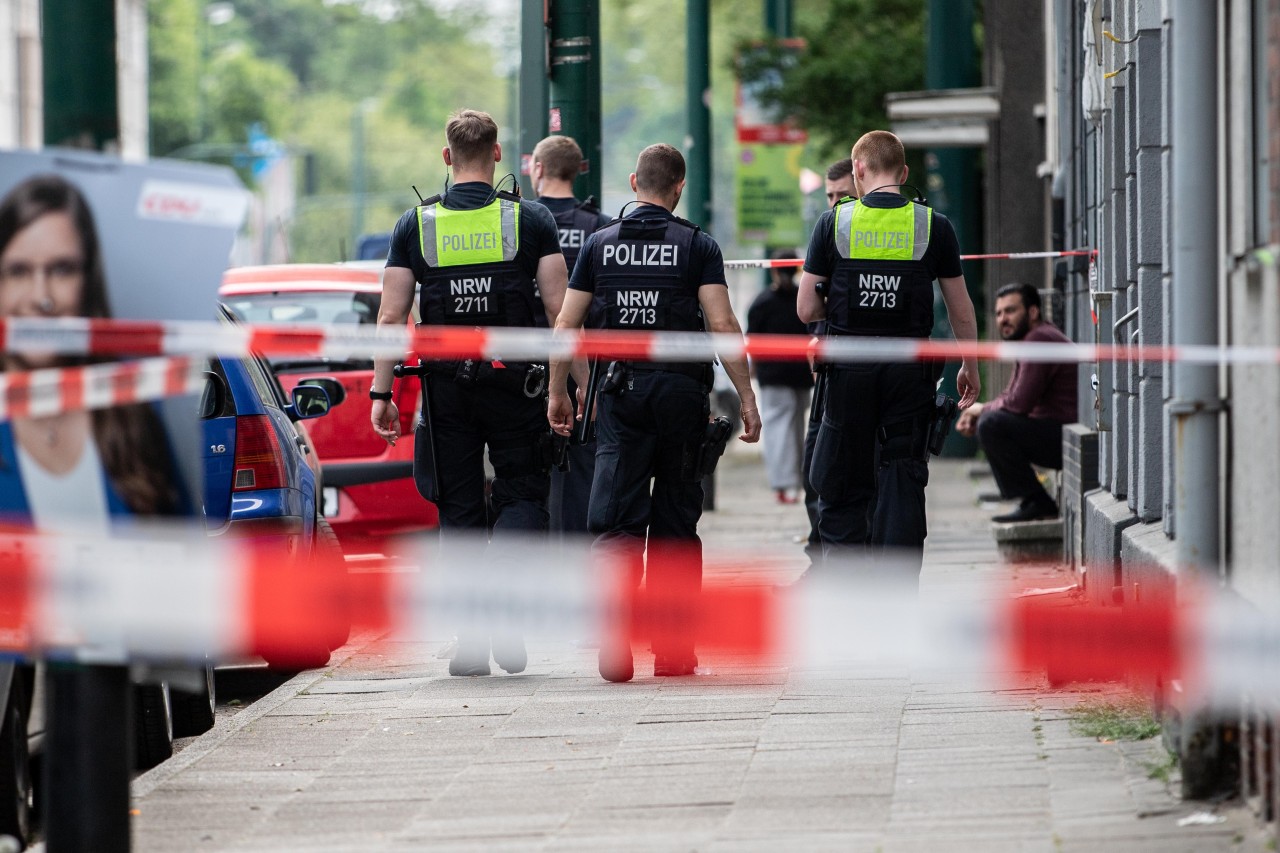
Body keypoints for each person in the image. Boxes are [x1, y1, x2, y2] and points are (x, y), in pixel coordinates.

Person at [547, 143, 761, 683]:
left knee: (616, 524)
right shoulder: (697, 246)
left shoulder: (599, 245)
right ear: (679, 187)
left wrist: (559, 393)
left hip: (619, 396)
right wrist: (748, 398)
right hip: (682, 397)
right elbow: (722, 324)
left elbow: (565, 326)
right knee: (674, 524)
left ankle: (616, 635)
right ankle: (672, 651)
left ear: (633, 181)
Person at [370, 109, 569, 677]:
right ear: (500, 155)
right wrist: (568, 388)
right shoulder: (530, 220)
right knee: (523, 497)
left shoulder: (415, 225)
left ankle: (471, 642)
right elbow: (559, 311)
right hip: (517, 383)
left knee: (457, 511)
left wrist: (381, 392)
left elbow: (391, 314)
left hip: (446, 389)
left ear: (446, 157)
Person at [797, 130, 979, 576]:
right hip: (909, 373)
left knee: (840, 483)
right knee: (901, 479)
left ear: (858, 169)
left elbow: (805, 309)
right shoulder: (934, 225)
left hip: (847, 370)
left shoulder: (835, 222)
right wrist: (969, 366)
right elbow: (960, 308)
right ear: (904, 173)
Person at [0, 173, 186, 529]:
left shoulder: (137, 409)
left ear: (89, 281)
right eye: (19, 271)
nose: (42, 297)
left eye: (62, 269)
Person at [531, 134, 611, 535]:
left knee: (528, 478)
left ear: (538, 168)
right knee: (581, 474)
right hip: (588, 372)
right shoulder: (598, 226)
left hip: (527, 366)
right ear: (579, 169)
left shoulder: (521, 220)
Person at [956, 282, 1077, 522]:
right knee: (990, 420)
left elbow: (1018, 403)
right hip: (1060, 434)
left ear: (1033, 312)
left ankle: (1037, 502)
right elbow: (1011, 395)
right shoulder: (1035, 338)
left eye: (1011, 311)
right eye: (999, 313)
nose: (1003, 319)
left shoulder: (1039, 340)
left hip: (1067, 437)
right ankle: (1034, 501)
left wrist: (980, 409)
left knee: (991, 424)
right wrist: (981, 411)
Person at [797, 158, 860, 567]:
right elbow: (810, 308)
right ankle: (820, 561)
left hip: (858, 378)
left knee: (841, 478)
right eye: (831, 196)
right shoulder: (826, 231)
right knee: (814, 475)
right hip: (827, 376)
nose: (836, 205)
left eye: (845, 196)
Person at [747, 248, 811, 504]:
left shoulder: (762, 302)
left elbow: (752, 339)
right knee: (796, 428)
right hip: (801, 374)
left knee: (778, 429)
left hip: (772, 375)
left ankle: (784, 484)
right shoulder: (803, 299)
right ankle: (796, 481)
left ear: (774, 269)